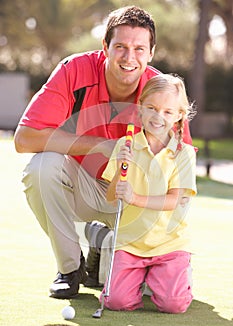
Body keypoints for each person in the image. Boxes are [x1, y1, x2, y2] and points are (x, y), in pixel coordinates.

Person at [14, 6, 192, 299]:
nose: (128, 57)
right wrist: (101, 146)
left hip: (138, 201)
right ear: (105, 47)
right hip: (84, 188)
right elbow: (25, 139)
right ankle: (71, 268)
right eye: (120, 47)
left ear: (151, 53)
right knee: (40, 167)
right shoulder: (74, 70)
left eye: (138, 49)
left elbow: (181, 173)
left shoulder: (162, 90)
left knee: (154, 294)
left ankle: (105, 244)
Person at [100, 73, 197, 314]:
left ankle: (177, 274)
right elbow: (111, 196)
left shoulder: (183, 153)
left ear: (178, 116)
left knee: (173, 304)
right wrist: (121, 166)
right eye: (152, 108)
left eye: (167, 111)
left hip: (169, 244)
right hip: (130, 242)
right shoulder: (126, 145)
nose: (158, 117)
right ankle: (135, 276)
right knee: (116, 302)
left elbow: (174, 200)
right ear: (140, 108)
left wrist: (135, 198)